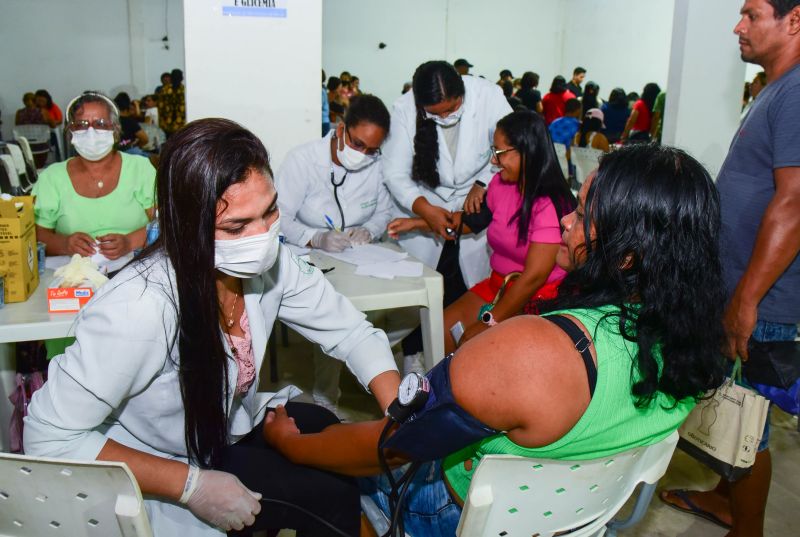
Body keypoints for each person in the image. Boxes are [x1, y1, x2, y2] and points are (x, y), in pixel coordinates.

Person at [262, 143, 727, 537]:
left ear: (628, 256)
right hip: (571, 519)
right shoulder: (692, 345)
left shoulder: (534, 351)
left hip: (456, 514)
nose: (565, 221)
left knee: (323, 469)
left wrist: (295, 446)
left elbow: (391, 446)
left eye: (583, 213)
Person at [25, 118, 401, 537]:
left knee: (320, 427)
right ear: (187, 225)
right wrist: (190, 486)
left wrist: (399, 408)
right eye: (237, 227)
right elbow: (49, 436)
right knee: (327, 494)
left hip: (218, 429)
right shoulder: (139, 308)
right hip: (153, 460)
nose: (262, 236)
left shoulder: (269, 264)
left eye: (271, 211)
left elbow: (349, 332)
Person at [661, 1, 800, 536]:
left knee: (749, 426)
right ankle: (724, 499)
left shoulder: (795, 92)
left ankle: (749, 529)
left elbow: (792, 203)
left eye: (752, 14)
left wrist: (746, 299)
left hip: (761, 296)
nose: (738, 26)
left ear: (793, 21)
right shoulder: (775, 88)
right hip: (742, 284)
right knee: (733, 406)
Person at [382, 60, 511, 370]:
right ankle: (414, 357)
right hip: (427, 199)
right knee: (421, 293)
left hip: (476, 203)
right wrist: (425, 211)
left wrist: (483, 182)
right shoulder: (404, 108)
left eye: (451, 109)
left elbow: (511, 146)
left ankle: (458, 361)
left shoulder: (489, 97)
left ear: (462, 92)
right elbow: (395, 173)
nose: (444, 117)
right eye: (435, 113)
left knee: (464, 287)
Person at [276, 95, 398, 411]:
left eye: (372, 149)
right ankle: (325, 397)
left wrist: (369, 229)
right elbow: (280, 216)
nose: (364, 155)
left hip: (359, 255)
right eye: (358, 145)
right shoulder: (302, 160)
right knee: (334, 310)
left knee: (405, 305)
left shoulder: (377, 165)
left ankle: (374, 365)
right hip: (310, 255)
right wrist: (314, 237)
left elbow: (383, 211)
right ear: (341, 129)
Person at [32, 91, 157, 359]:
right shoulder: (53, 178)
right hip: (74, 289)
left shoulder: (140, 169)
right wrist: (64, 243)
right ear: (70, 132)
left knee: (134, 352)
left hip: (135, 280)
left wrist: (129, 242)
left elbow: (164, 223)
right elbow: (38, 234)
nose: (91, 132)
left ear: (115, 130)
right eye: (81, 125)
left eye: (100, 124)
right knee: (74, 356)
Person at [440, 111, 575, 352]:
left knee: (481, 351)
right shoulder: (501, 184)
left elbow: (534, 277)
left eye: (500, 153)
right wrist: (416, 222)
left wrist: (489, 321)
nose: (494, 161)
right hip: (498, 286)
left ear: (527, 152)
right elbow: (473, 221)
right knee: (440, 332)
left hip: (537, 298)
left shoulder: (550, 203)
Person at [158, 68, 186, 137]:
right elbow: (160, 108)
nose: (176, 79)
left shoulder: (185, 90)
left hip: (182, 126)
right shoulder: (164, 90)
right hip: (168, 126)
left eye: (178, 77)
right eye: (175, 77)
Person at [321, 69, 331, 136]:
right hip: (324, 121)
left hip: (323, 121)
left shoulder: (321, 90)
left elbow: (319, 105)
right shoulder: (323, 89)